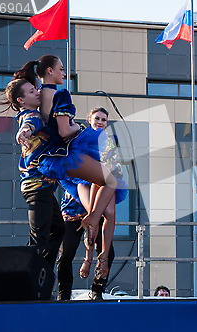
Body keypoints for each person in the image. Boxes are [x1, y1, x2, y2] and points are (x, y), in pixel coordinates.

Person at [14, 55, 117, 249]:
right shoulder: (58, 95)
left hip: (53, 158)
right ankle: (93, 220)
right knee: (109, 179)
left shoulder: (42, 96)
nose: (64, 73)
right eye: (61, 69)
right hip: (63, 155)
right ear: (50, 71)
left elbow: (36, 121)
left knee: (101, 180)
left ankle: (92, 220)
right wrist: (80, 129)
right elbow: (62, 131)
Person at [61, 107, 127, 279]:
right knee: (94, 212)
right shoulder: (80, 135)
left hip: (104, 178)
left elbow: (114, 162)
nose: (100, 122)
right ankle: (88, 258)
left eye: (104, 120)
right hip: (83, 179)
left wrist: (112, 167)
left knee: (110, 213)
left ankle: (103, 258)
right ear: (89, 119)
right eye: (97, 118)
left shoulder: (110, 141)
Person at [4, 78, 64, 269]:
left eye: (35, 89)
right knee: (39, 239)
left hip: (43, 187)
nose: (37, 92)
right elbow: (30, 124)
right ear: (21, 100)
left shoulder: (32, 114)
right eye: (31, 92)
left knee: (58, 230)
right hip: (36, 186)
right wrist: (24, 131)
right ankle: (21, 278)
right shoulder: (31, 116)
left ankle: (41, 273)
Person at [56, 190, 115, 301]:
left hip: (97, 213)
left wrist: (89, 259)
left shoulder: (108, 184)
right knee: (65, 253)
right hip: (72, 213)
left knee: (108, 252)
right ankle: (64, 292)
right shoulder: (81, 179)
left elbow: (108, 216)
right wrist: (88, 260)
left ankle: (97, 289)